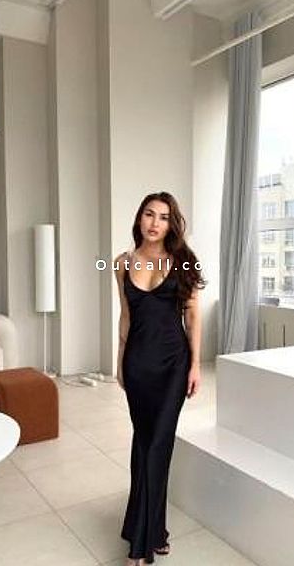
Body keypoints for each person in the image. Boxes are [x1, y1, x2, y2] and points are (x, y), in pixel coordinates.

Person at [114, 191, 207, 565]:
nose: (155, 223)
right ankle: (156, 531)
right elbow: (126, 317)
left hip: (173, 365)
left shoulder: (183, 261)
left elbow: (193, 317)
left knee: (157, 446)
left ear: (172, 224)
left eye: (164, 217)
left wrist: (195, 365)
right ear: (139, 218)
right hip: (138, 364)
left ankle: (140, 544)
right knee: (143, 444)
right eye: (149, 214)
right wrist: (120, 362)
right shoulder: (121, 263)